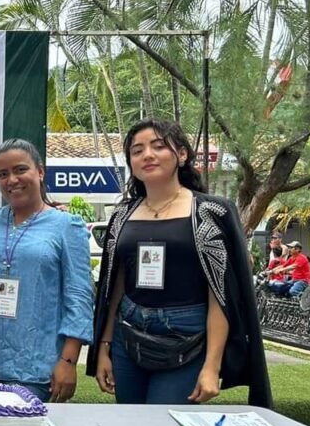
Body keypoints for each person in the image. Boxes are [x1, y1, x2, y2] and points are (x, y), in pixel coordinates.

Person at [85, 118, 272, 408]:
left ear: (182, 154)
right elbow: (114, 285)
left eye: (158, 146)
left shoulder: (210, 212)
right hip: (127, 338)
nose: (147, 155)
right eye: (137, 150)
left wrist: (212, 366)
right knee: (129, 425)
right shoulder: (122, 215)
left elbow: (221, 295)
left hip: (188, 338)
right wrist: (104, 347)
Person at [0, 139, 93, 403]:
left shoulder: (67, 226)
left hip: (36, 366)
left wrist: (68, 360)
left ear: (40, 172)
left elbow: (79, 297)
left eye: (20, 170)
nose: (12, 180)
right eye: (3, 174)